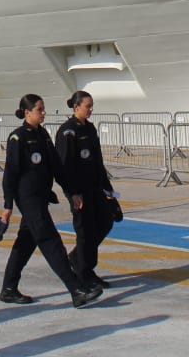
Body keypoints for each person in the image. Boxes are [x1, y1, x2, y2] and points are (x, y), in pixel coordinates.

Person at [0, 94, 101, 308]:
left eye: (43, 109)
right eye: (40, 110)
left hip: (41, 198)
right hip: (28, 200)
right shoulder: (18, 138)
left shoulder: (43, 135)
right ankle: (76, 290)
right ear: (27, 113)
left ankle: (8, 288)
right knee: (51, 242)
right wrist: (8, 206)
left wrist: (71, 192)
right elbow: (10, 175)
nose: (43, 113)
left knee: (25, 243)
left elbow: (57, 168)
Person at [56, 91, 115, 289]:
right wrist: (72, 193)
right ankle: (84, 273)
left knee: (106, 221)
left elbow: (97, 161)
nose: (91, 109)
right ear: (76, 107)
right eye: (87, 106)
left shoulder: (89, 129)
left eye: (91, 105)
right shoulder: (67, 131)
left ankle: (78, 258)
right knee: (85, 231)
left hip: (96, 187)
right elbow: (64, 166)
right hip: (79, 191)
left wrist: (109, 190)